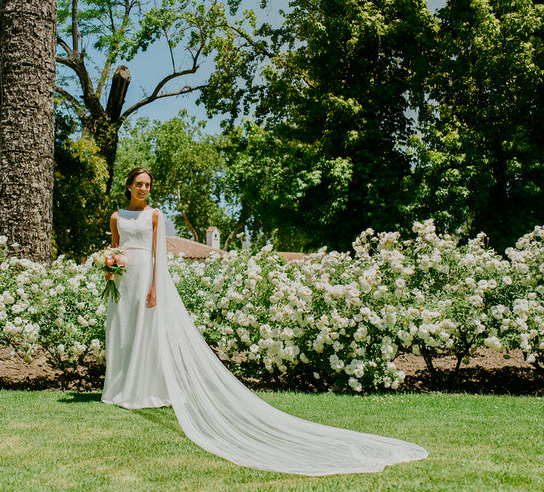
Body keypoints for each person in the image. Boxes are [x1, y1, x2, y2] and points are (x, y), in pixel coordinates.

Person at [101, 167, 428, 475]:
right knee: (123, 332)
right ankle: (119, 387)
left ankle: (145, 391)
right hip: (122, 280)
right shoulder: (117, 216)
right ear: (129, 186)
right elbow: (115, 247)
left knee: (146, 334)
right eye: (139, 184)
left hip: (148, 277)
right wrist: (109, 267)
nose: (144, 189)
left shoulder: (155, 215)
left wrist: (156, 286)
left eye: (148, 185)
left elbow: (159, 254)